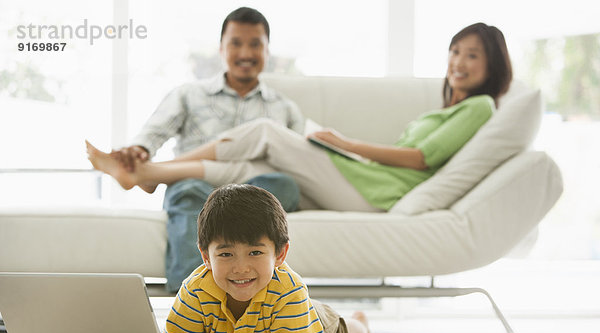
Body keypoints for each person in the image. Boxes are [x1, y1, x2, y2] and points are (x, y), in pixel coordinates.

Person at [87, 22, 512, 213]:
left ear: (491, 65)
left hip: (375, 193)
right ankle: (148, 173)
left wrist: (345, 144)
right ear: (221, 48)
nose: (458, 62)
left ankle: (149, 173)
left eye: (471, 55)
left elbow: (420, 158)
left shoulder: (480, 106)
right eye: (455, 51)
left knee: (267, 133)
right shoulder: (451, 110)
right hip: (363, 183)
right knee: (251, 165)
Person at [108, 7, 307, 292]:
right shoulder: (188, 94)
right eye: (236, 43)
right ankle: (195, 302)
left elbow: (298, 160)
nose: (245, 53)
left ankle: (257, 302)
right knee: (186, 191)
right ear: (221, 48)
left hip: (257, 189)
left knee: (284, 185)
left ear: (267, 50)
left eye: (255, 44)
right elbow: (150, 136)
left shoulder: (284, 107)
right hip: (198, 185)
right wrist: (137, 152)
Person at [162, 184, 370, 333]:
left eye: (255, 253)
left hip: (316, 324)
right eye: (226, 254)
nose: (241, 268)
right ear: (206, 257)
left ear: (280, 254)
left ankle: (359, 320)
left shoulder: (290, 291)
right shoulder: (194, 292)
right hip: (277, 319)